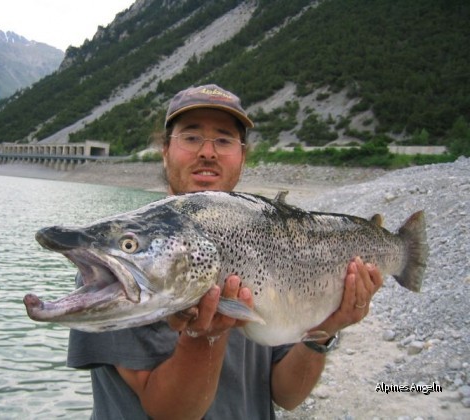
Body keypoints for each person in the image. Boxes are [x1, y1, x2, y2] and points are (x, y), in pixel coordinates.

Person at [67, 84, 383, 419]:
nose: (208, 152)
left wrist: (326, 330)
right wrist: (203, 337)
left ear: (242, 155)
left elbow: (287, 395)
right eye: (191, 137)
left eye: (223, 139)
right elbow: (169, 413)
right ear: (165, 150)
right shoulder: (130, 267)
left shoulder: (267, 243)